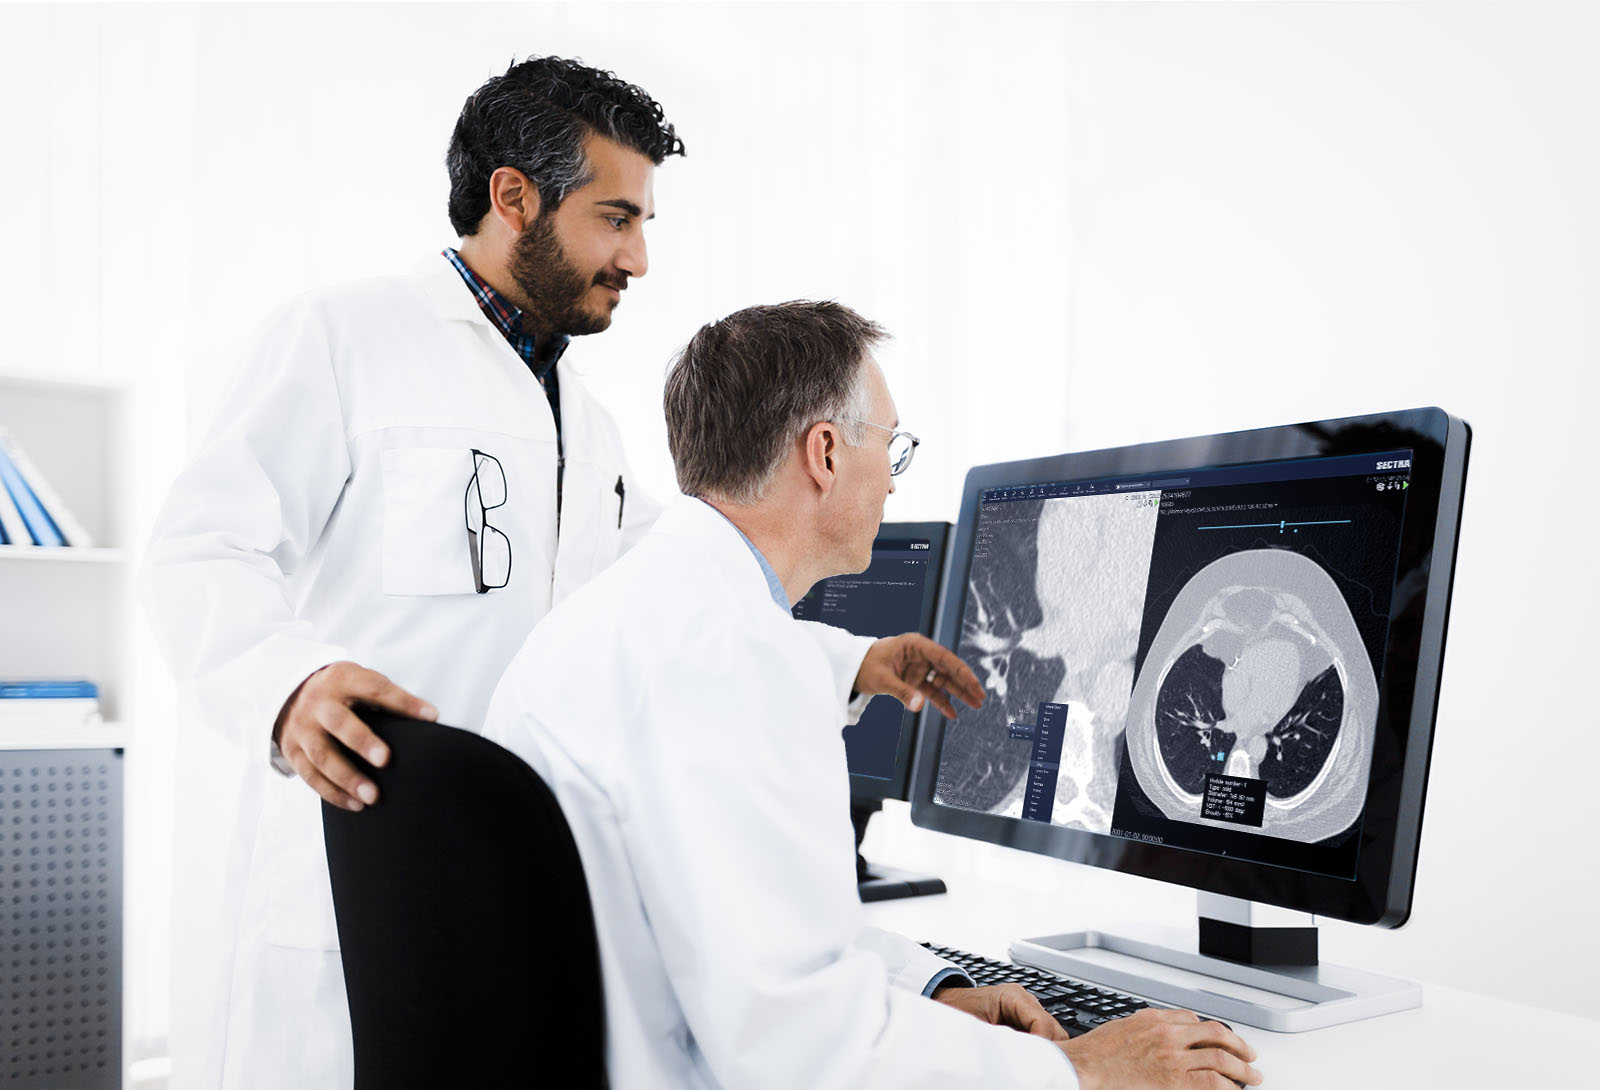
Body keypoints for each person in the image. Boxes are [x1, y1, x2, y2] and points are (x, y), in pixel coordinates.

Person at [140, 59, 967, 1089]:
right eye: (616, 218)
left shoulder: (588, 423)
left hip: (507, 890)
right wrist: (288, 683)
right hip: (349, 876)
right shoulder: (345, 339)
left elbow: (670, 597)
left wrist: (849, 661)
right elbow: (198, 544)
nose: (640, 256)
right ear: (513, 196)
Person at [482, 301, 1265, 1089]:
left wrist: (933, 989)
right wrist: (1078, 1069)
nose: (892, 482)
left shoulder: (623, 617)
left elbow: (757, 935)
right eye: (892, 447)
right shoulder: (735, 660)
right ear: (824, 452)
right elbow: (805, 1052)